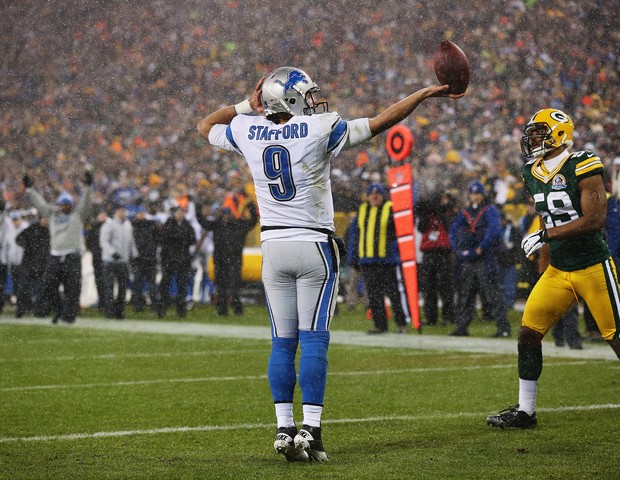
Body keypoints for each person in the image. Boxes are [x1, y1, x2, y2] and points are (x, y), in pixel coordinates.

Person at [197, 66, 463, 461]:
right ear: (291, 100)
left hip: (273, 247)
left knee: (282, 342)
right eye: (306, 95)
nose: (314, 101)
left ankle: (284, 428)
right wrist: (423, 93)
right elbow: (381, 121)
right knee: (315, 338)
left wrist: (245, 105)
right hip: (313, 244)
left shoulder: (247, 130)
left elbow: (205, 124)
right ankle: (312, 430)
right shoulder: (319, 127)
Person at [487, 108, 620, 429]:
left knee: (616, 338)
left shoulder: (583, 162)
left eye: (540, 132)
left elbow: (594, 220)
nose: (533, 139)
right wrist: (546, 252)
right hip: (558, 270)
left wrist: (547, 235)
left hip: (592, 266)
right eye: (532, 133)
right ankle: (526, 412)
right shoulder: (532, 172)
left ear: (559, 134)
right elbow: (550, 219)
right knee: (527, 335)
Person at [23, 169, 93, 324]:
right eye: (63, 204)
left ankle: (68, 316)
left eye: (67, 204)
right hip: (55, 256)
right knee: (48, 286)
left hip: (72, 256)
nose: (64, 207)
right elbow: (40, 203)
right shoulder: (52, 214)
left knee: (72, 288)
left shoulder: (77, 215)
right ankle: (60, 310)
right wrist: (30, 189)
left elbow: (86, 203)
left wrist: (88, 187)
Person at [449, 180, 511, 337]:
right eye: (472, 194)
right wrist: (456, 248)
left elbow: (494, 230)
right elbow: (453, 229)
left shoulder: (490, 210)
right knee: (466, 295)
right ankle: (462, 327)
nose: (475, 197)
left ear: (482, 195)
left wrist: (481, 246)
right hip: (469, 259)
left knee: (493, 294)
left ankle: (503, 328)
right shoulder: (465, 212)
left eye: (477, 194)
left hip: (486, 259)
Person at [347, 183, 409, 334]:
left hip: (387, 260)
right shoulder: (361, 211)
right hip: (368, 261)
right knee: (374, 295)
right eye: (371, 195)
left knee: (394, 293)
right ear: (367, 196)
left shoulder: (391, 208)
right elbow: (354, 237)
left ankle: (402, 324)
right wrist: (353, 259)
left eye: (377, 195)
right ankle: (380, 325)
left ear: (382, 196)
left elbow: (401, 229)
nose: (374, 197)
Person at [197, 202, 258, 316]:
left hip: (234, 261)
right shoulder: (217, 225)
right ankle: (223, 310)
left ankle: (236, 310)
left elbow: (253, 222)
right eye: (225, 214)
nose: (226, 217)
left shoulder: (238, 225)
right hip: (221, 261)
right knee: (221, 288)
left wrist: (252, 209)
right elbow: (203, 222)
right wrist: (198, 209)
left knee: (233, 288)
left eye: (228, 214)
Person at [416, 191, 456, 325]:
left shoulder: (448, 212)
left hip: (443, 252)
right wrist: (428, 212)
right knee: (428, 287)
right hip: (428, 252)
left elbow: (448, 225)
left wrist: (440, 210)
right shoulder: (427, 213)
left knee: (446, 286)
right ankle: (431, 317)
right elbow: (421, 228)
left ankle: (448, 316)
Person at [158, 206, 196, 318]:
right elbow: (165, 238)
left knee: (182, 285)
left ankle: (181, 310)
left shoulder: (186, 225)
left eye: (181, 213)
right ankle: (162, 309)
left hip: (182, 259)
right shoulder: (169, 224)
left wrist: (178, 238)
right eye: (178, 213)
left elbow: (192, 239)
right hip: (170, 259)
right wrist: (180, 238)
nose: (180, 215)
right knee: (165, 284)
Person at [100, 205, 135, 319]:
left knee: (122, 288)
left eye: (123, 211)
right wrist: (112, 252)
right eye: (120, 211)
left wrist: (134, 254)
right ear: (116, 212)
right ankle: (110, 312)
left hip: (123, 261)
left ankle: (119, 311)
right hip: (109, 261)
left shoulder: (128, 225)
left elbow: (131, 241)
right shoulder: (109, 224)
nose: (122, 213)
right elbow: (103, 241)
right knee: (109, 287)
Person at [15, 214, 50, 317]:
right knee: (23, 288)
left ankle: (41, 311)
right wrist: (27, 246)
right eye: (44, 218)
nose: (45, 221)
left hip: (42, 264)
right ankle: (21, 310)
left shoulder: (50, 231)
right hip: (28, 263)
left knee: (42, 289)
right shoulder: (32, 228)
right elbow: (18, 239)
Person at [130, 205, 160, 312]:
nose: (141, 215)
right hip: (138, 260)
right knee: (138, 284)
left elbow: (157, 239)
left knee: (151, 283)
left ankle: (154, 305)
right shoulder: (132, 225)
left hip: (150, 259)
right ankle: (139, 306)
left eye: (143, 213)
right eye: (140, 213)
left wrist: (151, 250)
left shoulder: (150, 225)